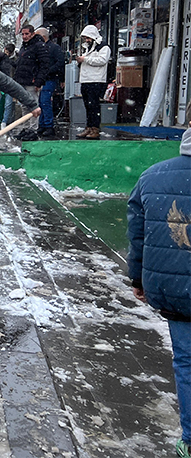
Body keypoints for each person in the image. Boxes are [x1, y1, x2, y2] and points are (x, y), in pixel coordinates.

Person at [127, 122, 191, 458]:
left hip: (176, 289)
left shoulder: (153, 177)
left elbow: (138, 235)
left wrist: (138, 279)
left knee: (187, 360)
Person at [13, 24, 50, 140]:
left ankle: (33, 130)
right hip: (24, 80)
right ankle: (26, 128)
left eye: (26, 34)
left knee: (33, 106)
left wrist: (39, 81)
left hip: (32, 81)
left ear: (33, 34)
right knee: (25, 106)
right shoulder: (25, 47)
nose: (24, 36)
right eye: (23, 34)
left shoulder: (38, 46)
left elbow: (44, 65)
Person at [76, 24, 111, 140]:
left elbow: (102, 60)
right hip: (86, 79)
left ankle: (95, 128)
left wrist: (85, 59)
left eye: (88, 38)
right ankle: (89, 127)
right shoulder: (88, 48)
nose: (87, 40)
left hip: (96, 80)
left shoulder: (103, 47)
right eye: (85, 38)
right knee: (88, 106)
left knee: (94, 106)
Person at [35, 27, 64, 138]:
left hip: (49, 78)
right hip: (46, 78)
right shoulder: (49, 48)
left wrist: (48, 71)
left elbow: (60, 63)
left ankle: (48, 125)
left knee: (45, 101)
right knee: (43, 102)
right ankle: (43, 124)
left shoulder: (53, 48)